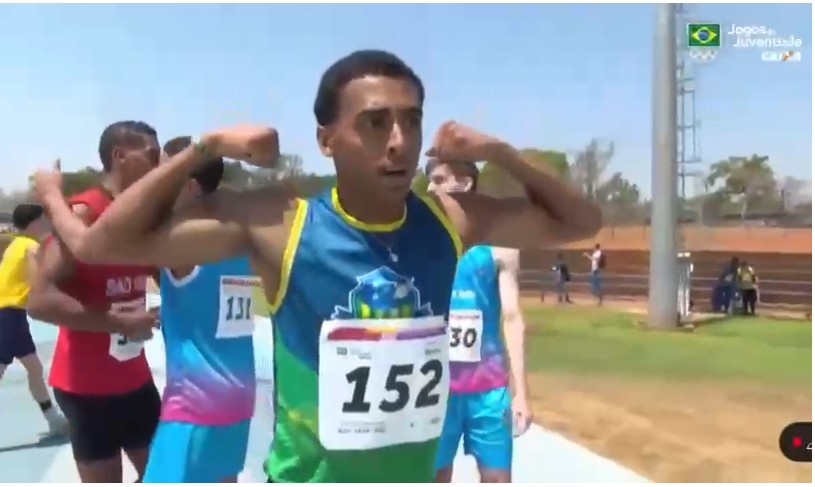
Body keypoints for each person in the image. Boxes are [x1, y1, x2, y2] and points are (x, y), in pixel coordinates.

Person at [33, 49, 601, 482]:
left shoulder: (451, 218)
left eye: (411, 121)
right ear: (326, 140)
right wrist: (205, 148)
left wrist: (499, 153)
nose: (399, 141)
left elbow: (579, 222)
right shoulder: (282, 222)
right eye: (375, 123)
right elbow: (103, 244)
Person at [26, 122, 162, 483]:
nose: (158, 163)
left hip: (137, 381)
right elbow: (39, 301)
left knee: (165, 477)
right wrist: (119, 323)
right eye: (150, 154)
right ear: (119, 156)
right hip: (86, 388)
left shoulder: (141, 216)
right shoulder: (84, 213)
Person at [141, 136, 257, 483]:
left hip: (195, 405)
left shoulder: (180, 243)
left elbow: (105, 241)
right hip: (238, 400)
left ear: (190, 186)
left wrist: (52, 196)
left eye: (164, 172)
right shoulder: (239, 236)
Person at [426, 159, 531, 483]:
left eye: (439, 179)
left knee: (498, 479)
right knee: (434, 477)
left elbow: (512, 317)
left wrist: (521, 392)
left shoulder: (500, 246)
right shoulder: (423, 241)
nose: (429, 187)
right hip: (435, 390)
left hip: (488, 392)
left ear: (465, 183)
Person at [0, 203, 68, 435]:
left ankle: (54, 420)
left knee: (34, 367)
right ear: (35, 222)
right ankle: (55, 420)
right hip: (7, 314)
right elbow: (41, 277)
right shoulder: (30, 246)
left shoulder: (15, 245)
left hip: (12, 314)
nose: (47, 223)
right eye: (44, 219)